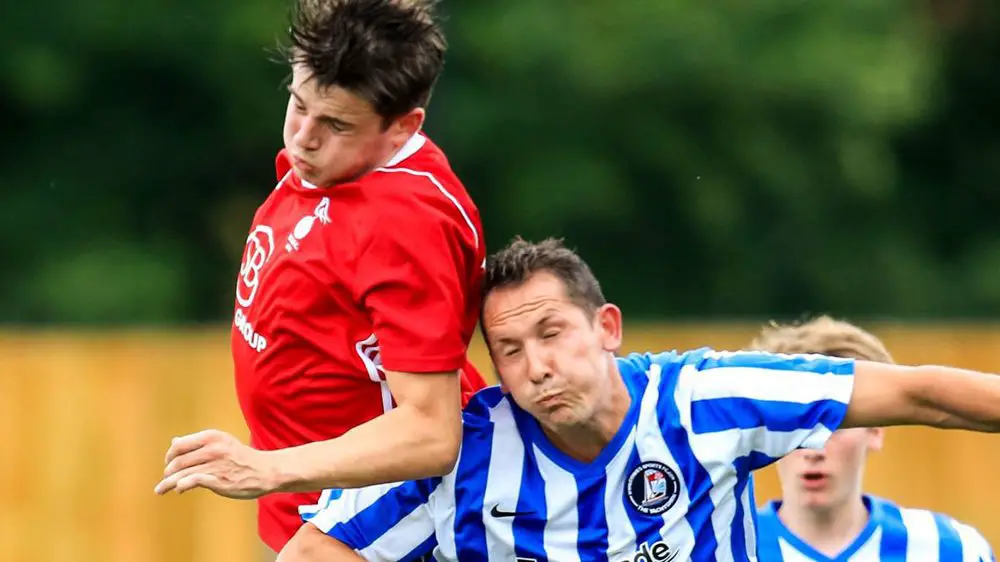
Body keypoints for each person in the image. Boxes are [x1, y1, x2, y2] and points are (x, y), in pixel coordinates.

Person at [275, 237, 1000, 562]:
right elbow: (314, 550)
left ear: (608, 328)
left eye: (552, 334)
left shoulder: (706, 400)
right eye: (511, 352)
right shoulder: (464, 452)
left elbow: (922, 393)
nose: (536, 367)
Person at [153, 0, 489, 554]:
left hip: (379, 518)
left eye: (335, 123)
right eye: (297, 103)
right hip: (307, 503)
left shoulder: (405, 222)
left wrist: (267, 468)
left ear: (403, 125)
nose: (303, 137)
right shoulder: (333, 164)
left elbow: (432, 432)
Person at [751, 316, 995, 561]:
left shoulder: (952, 550)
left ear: (877, 429)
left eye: (834, 425)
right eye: (796, 426)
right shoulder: (729, 550)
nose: (813, 451)